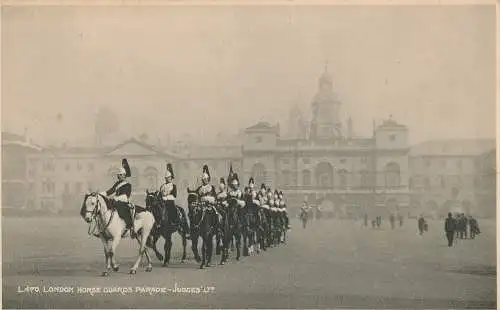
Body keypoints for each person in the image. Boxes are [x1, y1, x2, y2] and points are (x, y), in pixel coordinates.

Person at [101, 158, 136, 238]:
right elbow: (110, 191)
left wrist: (116, 198)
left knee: (123, 211)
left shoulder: (128, 185)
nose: (119, 177)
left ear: (124, 175)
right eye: (119, 175)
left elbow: (125, 196)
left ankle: (129, 227)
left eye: (120, 175)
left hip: (123, 202)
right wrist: (100, 194)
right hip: (115, 201)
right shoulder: (117, 184)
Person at [159, 163, 190, 238]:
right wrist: (161, 197)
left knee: (178, 210)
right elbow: (160, 194)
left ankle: (177, 223)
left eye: (169, 178)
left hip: (170, 202)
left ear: (171, 178)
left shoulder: (173, 186)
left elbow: (174, 195)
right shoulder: (162, 186)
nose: (167, 179)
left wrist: (166, 196)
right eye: (166, 178)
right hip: (162, 202)